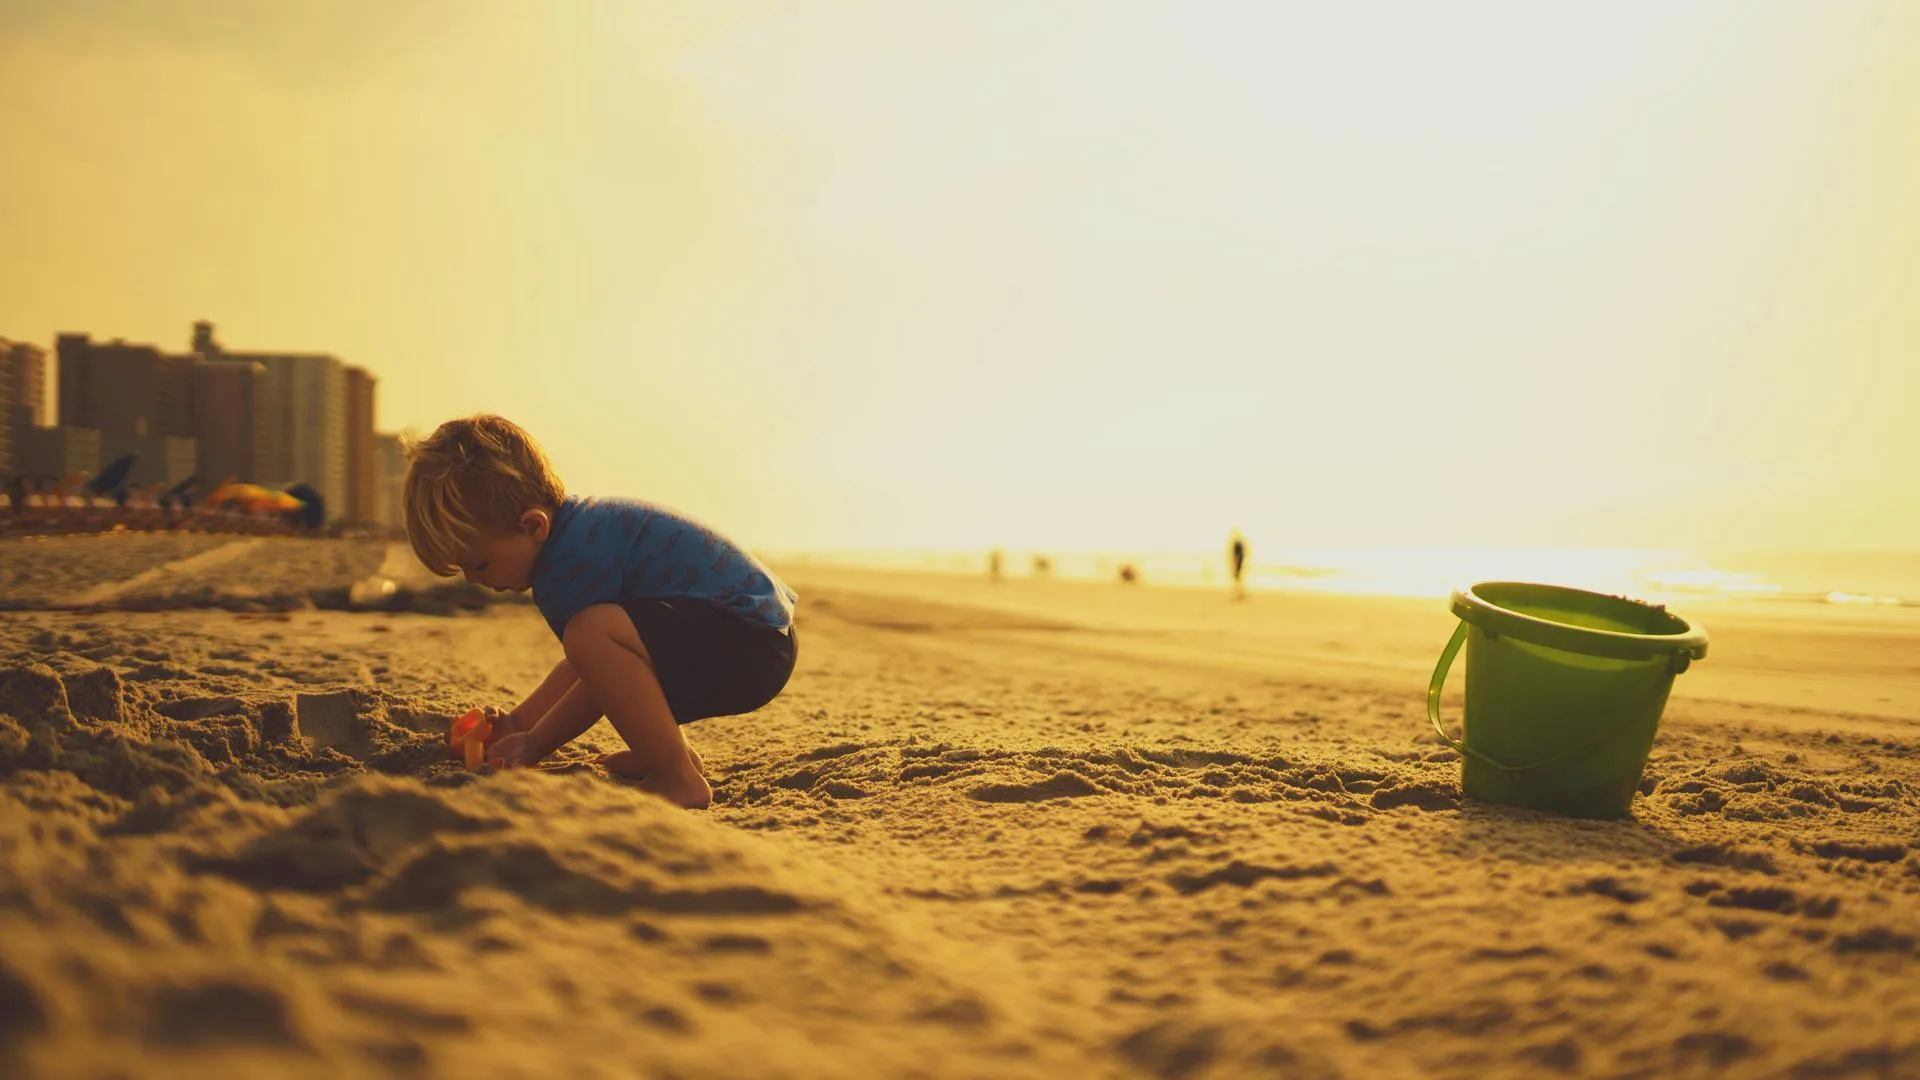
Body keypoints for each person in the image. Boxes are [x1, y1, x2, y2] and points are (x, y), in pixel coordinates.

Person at [402, 415, 798, 809]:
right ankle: (667, 754)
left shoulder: (572, 562)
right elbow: (589, 666)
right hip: (758, 638)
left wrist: (533, 743)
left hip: (748, 646)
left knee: (593, 636)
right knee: (600, 642)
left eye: (480, 564)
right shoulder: (580, 531)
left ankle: (677, 778)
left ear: (532, 526)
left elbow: (593, 672)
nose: (472, 580)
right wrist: (518, 723)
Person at [1228, 530, 1248, 600]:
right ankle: (1239, 593)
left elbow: (1237, 555)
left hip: (1237, 563)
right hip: (1238, 563)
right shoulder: (1239, 544)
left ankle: (1239, 593)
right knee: (1238, 580)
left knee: (1238, 579)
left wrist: (1235, 563)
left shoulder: (1237, 544)